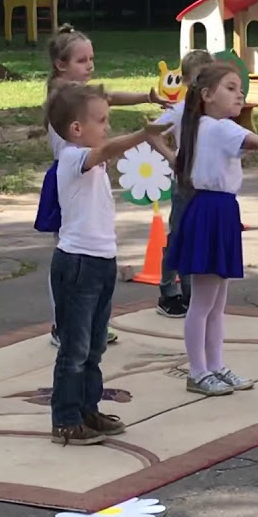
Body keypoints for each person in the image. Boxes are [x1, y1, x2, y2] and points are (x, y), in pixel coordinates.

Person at [167, 62, 258, 397]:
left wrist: (172, 158)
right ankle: (199, 371)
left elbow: (154, 130)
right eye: (230, 88)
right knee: (205, 303)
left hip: (217, 211)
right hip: (211, 212)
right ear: (206, 95)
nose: (240, 94)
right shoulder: (218, 128)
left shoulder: (198, 123)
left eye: (240, 88)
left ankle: (215, 366)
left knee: (215, 303)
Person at [45, 83, 168, 446]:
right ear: (75, 129)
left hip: (100, 260)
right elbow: (109, 148)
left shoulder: (90, 158)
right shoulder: (71, 157)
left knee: (95, 346)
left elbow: (106, 150)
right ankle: (65, 419)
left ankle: (87, 409)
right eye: (101, 120)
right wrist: (143, 134)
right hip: (77, 262)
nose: (107, 127)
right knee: (75, 348)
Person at [36, 25, 165, 346]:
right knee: (67, 249)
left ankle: (86, 321)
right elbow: (103, 107)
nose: (90, 66)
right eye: (82, 60)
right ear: (61, 65)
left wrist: (145, 97)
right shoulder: (62, 97)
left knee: (83, 247)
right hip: (69, 172)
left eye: (91, 59)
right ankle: (63, 324)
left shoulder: (82, 94)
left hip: (86, 168)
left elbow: (111, 97)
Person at [151, 49, 215, 318]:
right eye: (199, 78)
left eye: (209, 77)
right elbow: (152, 132)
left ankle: (192, 292)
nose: (204, 85)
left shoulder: (216, 112)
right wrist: (173, 157)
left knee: (199, 239)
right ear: (187, 81)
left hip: (208, 188)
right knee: (178, 237)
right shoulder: (179, 111)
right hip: (185, 186)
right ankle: (168, 290)